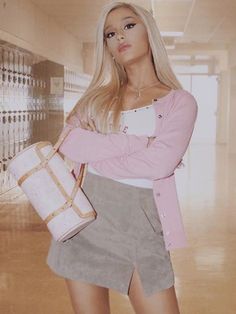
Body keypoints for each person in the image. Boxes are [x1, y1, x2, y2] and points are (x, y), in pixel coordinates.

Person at [46, 1, 198, 313]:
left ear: (148, 31)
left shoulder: (179, 102)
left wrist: (96, 153)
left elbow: (158, 163)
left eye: (129, 26)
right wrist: (139, 143)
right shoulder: (98, 99)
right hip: (85, 226)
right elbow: (68, 143)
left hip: (140, 230)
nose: (119, 37)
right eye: (110, 34)